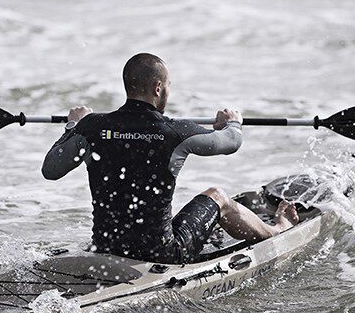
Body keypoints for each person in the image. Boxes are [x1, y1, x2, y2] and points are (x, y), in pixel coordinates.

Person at [41, 53, 298, 264]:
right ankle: (277, 230)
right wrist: (233, 123)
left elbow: (51, 170)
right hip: (162, 253)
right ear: (158, 88)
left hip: (105, 247)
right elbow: (231, 143)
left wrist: (73, 126)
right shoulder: (174, 131)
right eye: (168, 86)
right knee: (217, 196)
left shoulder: (92, 127)